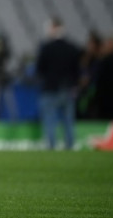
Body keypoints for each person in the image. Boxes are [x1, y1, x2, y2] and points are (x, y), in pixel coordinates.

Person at [35, 17, 82, 150]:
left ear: (53, 28)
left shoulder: (46, 48)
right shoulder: (72, 48)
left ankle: (51, 147)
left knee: (50, 120)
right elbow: (77, 71)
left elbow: (40, 69)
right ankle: (70, 146)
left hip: (50, 89)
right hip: (67, 88)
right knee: (69, 121)